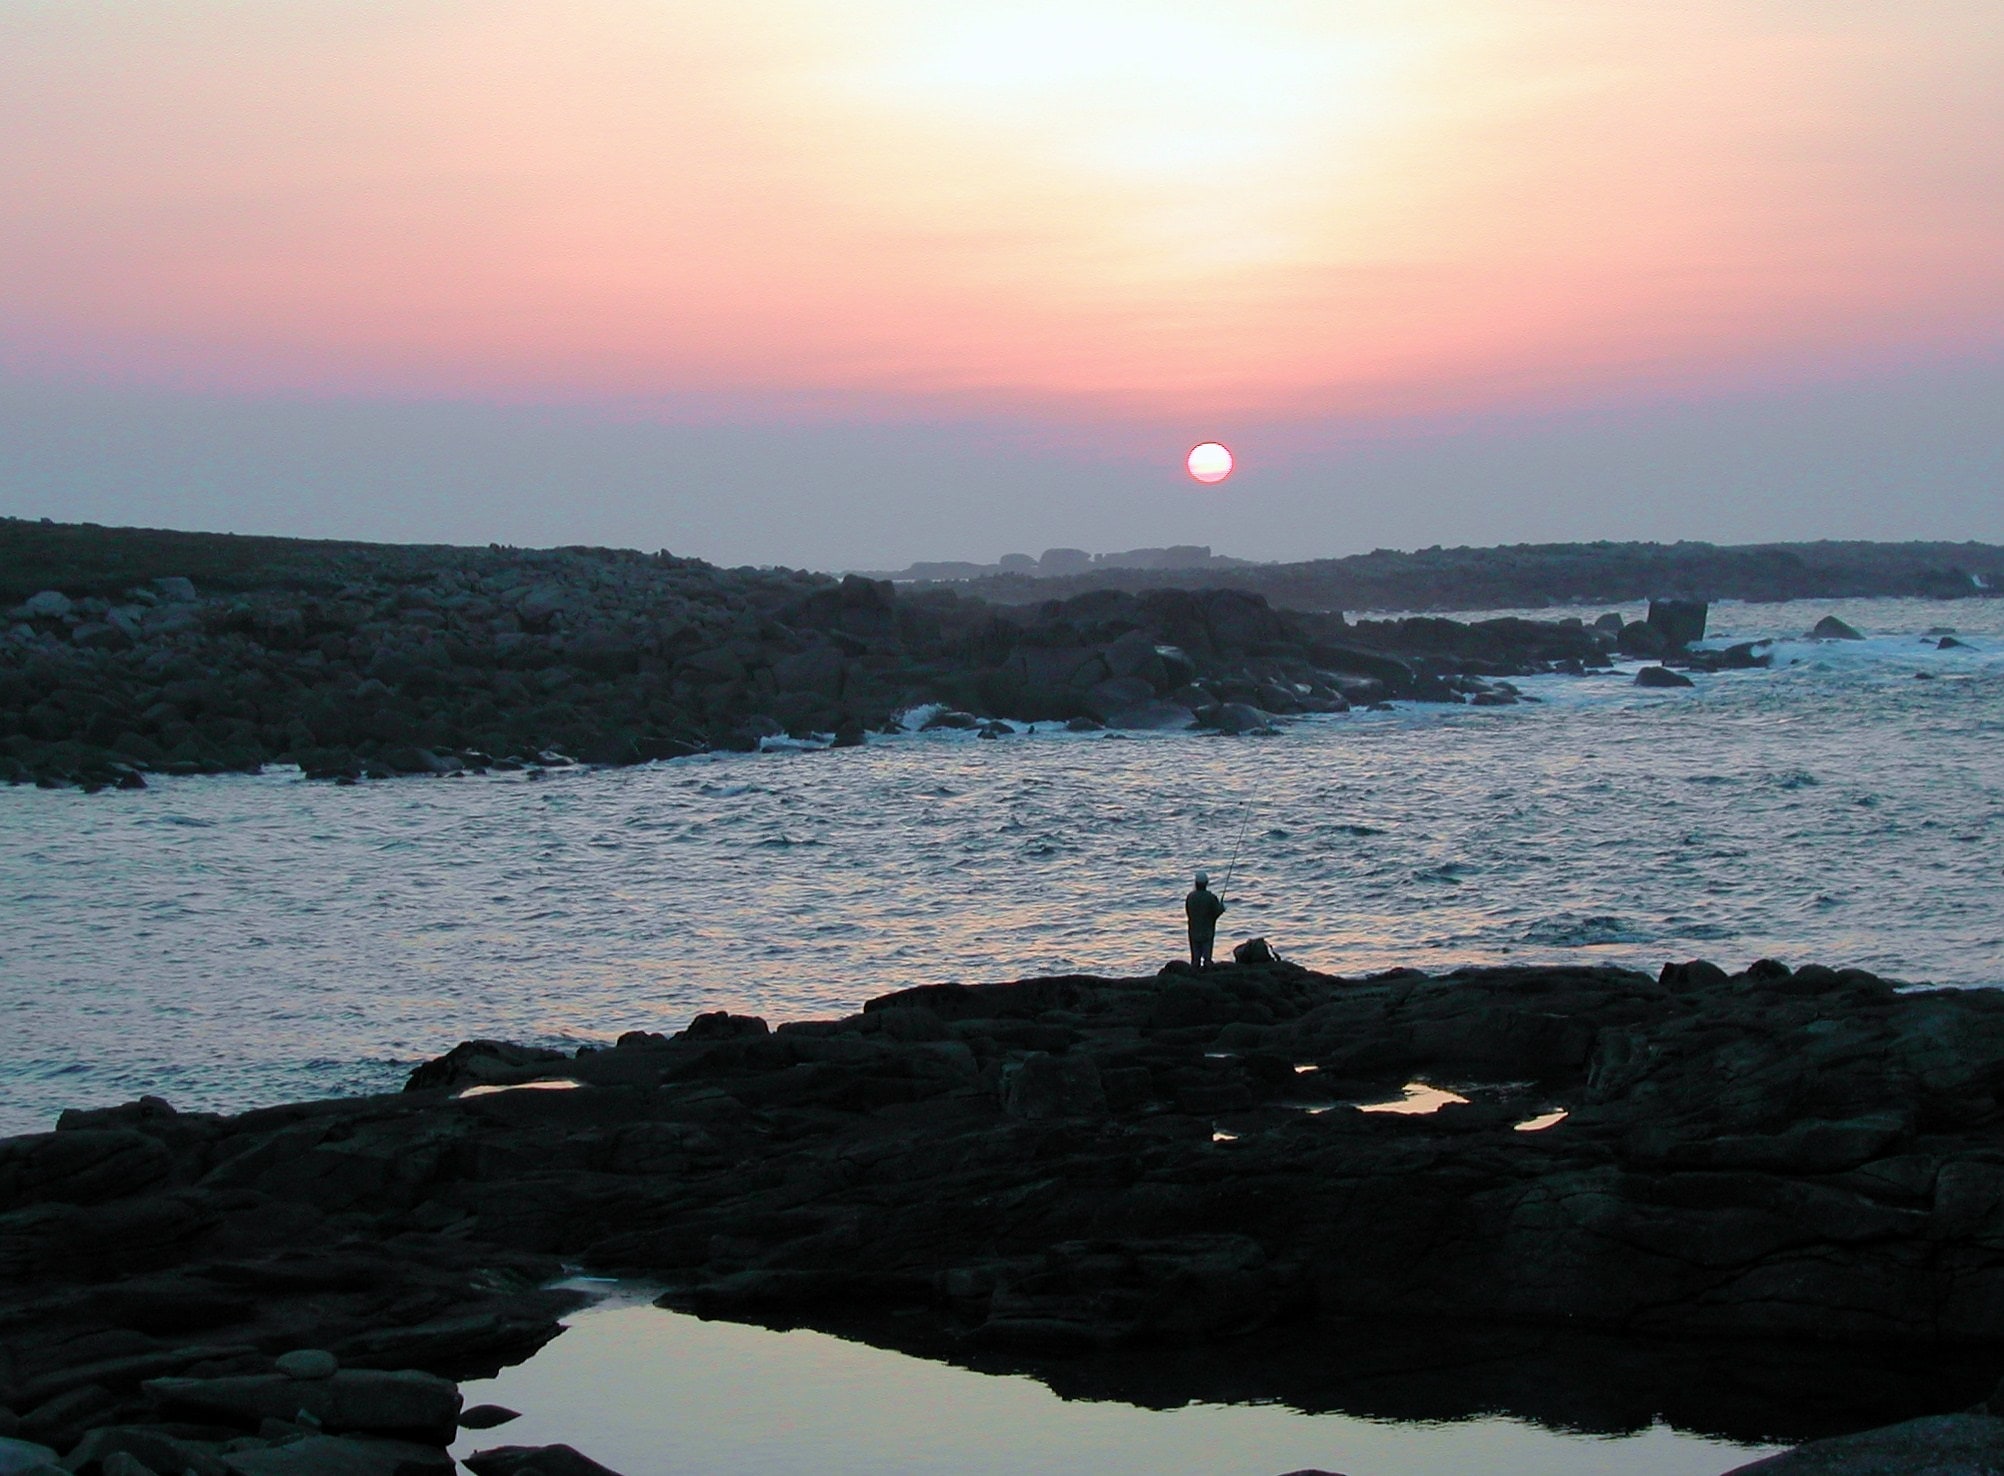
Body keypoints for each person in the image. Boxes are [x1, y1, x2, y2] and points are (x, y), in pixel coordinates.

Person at [1185, 870, 1226, 969]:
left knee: (1195, 960)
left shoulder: (1190, 897)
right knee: (1207, 959)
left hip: (1193, 930)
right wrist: (1221, 908)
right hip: (1207, 931)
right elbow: (1215, 913)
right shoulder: (1211, 897)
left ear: (1196, 883)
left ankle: (1194, 975)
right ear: (1206, 883)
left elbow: (1188, 912)